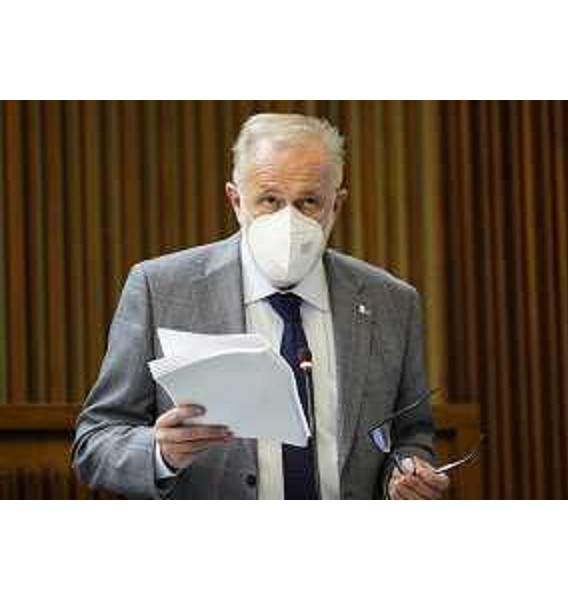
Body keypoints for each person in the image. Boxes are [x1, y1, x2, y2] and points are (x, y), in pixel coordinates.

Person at [71, 113, 449, 500]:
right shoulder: (161, 289)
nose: (289, 220)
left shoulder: (391, 302)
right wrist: (158, 453)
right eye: (270, 200)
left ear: (336, 205)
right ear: (236, 201)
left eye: (309, 202)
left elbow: (411, 434)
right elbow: (95, 441)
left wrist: (405, 474)